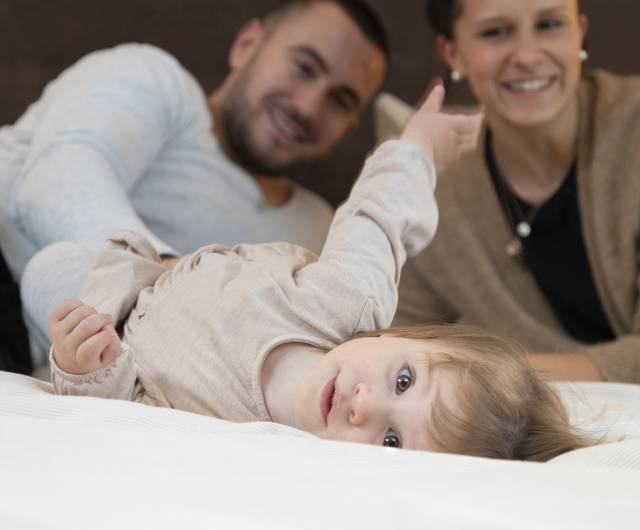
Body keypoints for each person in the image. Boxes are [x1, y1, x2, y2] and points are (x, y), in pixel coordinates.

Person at [46, 87, 590, 460]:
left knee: (50, 273)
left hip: (111, 317)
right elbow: (379, 215)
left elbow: (133, 416)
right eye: (403, 380)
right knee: (66, 225)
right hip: (161, 262)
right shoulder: (346, 301)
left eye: (391, 442)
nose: (366, 404)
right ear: (407, 336)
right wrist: (419, 147)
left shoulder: (256, 446)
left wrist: (90, 369)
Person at [0, 0, 390, 366]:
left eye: (339, 101)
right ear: (247, 45)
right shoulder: (156, 79)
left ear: (349, 128)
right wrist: (171, 277)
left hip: (51, 351)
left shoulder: (321, 233)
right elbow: (52, 184)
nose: (307, 106)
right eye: (303, 67)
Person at [395, 0, 640, 383]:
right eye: (495, 32)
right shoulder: (439, 206)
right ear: (453, 53)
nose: (527, 56)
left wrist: (496, 374)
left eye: (549, 24)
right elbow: (386, 344)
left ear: (580, 31)